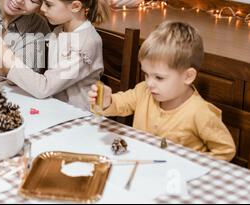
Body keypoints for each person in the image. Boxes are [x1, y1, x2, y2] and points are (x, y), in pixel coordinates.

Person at [88, 21, 236, 161]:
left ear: (188, 76)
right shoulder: (144, 91)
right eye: (146, 74)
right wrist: (107, 102)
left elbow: (226, 150)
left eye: (159, 77)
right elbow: (121, 104)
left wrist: (192, 164)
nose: (149, 83)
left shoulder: (200, 112)